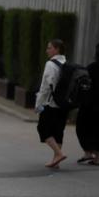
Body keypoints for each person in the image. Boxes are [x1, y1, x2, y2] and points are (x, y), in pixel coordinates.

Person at [35, 39, 69, 168]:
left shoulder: (50, 64)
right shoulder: (66, 63)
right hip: (64, 103)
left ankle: (59, 153)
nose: (47, 50)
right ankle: (56, 160)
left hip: (51, 103)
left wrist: (38, 103)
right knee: (58, 130)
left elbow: (46, 86)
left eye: (49, 48)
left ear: (57, 49)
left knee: (43, 128)